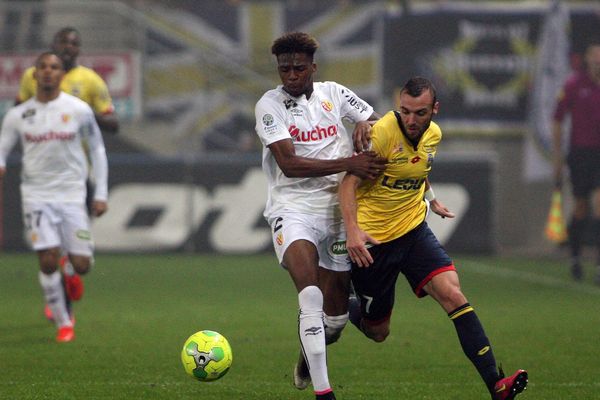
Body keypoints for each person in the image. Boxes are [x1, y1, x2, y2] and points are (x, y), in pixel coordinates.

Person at [338, 76, 528, 400]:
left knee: (453, 294)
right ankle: (340, 304)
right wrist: (353, 232)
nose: (411, 120)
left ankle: (497, 385)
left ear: (434, 110)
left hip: (413, 232)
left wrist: (431, 197)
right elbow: (346, 185)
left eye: (420, 113)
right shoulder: (381, 134)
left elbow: (418, 169)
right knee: (378, 331)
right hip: (374, 243)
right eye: (405, 111)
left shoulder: (434, 135)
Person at [254, 32, 386, 400]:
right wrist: (349, 162)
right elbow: (290, 164)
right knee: (309, 295)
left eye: (298, 68)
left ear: (313, 67)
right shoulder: (269, 105)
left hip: (338, 211)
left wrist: (366, 124)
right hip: (292, 208)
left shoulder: (335, 93)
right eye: (284, 69)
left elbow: (380, 124)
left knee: (337, 319)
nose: (291, 76)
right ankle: (324, 392)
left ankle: (307, 357)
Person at [0, 52, 109, 342]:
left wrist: (100, 193)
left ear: (62, 75)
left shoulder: (79, 110)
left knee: (83, 264)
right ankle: (64, 322)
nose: (48, 72)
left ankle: (71, 270)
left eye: (54, 68)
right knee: (47, 261)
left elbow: (97, 149)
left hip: (73, 194)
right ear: (34, 75)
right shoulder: (18, 115)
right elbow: (2, 147)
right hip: (36, 195)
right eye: (43, 68)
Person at [16, 27, 118, 313]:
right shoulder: (31, 77)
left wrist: (82, 111)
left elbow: (113, 123)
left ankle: (72, 271)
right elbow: (18, 113)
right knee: (51, 249)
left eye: (73, 43)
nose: (68, 47)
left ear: (79, 49)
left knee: (75, 252)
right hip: (41, 176)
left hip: (76, 174)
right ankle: (61, 304)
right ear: (53, 44)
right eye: (63, 41)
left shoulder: (90, 81)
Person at [552, 39, 600, 283]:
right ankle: (575, 256)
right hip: (581, 152)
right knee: (581, 206)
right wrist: (558, 155)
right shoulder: (574, 85)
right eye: (594, 56)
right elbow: (558, 118)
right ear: (587, 59)